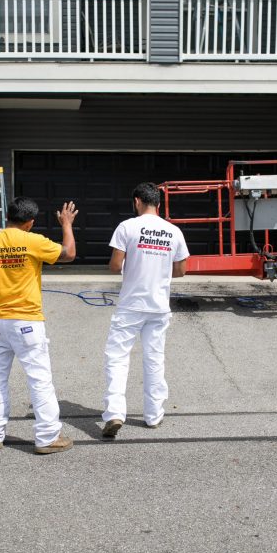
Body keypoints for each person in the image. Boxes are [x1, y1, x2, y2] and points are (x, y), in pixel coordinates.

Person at [0, 197, 78, 455]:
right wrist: (66, 224)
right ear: (30, 222)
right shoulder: (33, 241)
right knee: (39, 380)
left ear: (8, 216)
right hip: (28, 322)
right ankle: (47, 437)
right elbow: (69, 253)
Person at [102, 182, 189, 437]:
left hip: (131, 304)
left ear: (137, 201)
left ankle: (116, 413)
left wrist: (135, 263)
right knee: (154, 359)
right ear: (158, 204)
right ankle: (153, 416)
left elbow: (115, 266)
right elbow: (182, 270)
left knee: (117, 358)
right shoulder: (173, 231)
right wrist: (159, 269)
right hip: (158, 305)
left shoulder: (127, 227)